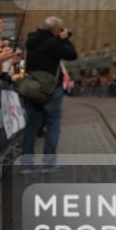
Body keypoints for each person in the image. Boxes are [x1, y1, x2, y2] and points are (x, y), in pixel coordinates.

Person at [21, 16, 77, 170]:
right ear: (55, 30)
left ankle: (26, 165)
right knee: (53, 123)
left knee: (31, 126)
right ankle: (48, 163)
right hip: (51, 88)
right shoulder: (53, 43)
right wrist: (64, 39)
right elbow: (72, 55)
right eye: (60, 29)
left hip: (32, 87)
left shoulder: (31, 40)